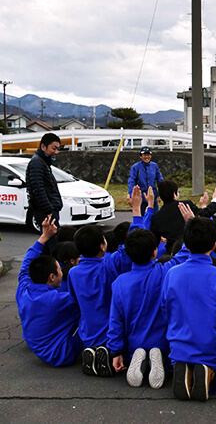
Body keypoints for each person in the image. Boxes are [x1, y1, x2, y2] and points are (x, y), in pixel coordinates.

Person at [107, 206, 191, 389]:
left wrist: (115, 351)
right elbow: (184, 253)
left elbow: (116, 321)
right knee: (165, 359)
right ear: (155, 252)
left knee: (134, 346)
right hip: (163, 340)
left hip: (134, 341)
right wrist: (189, 224)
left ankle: (139, 358)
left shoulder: (120, 283)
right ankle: (158, 358)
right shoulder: (164, 272)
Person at [162, 215, 216, 402]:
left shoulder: (171, 274)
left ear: (186, 245)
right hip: (211, 347)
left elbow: (165, 309)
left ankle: (185, 368)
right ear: (215, 246)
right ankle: (210, 373)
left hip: (178, 346)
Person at [67, 191, 141, 377]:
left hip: (88, 330)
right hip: (111, 329)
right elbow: (131, 247)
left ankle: (93, 351)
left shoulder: (73, 273)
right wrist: (137, 211)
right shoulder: (109, 265)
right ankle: (110, 354)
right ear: (102, 246)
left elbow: (74, 302)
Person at [15, 216, 82, 367]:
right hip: (63, 353)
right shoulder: (56, 299)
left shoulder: (24, 289)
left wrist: (44, 237)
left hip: (38, 347)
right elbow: (88, 298)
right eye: (59, 269)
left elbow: (26, 265)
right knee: (89, 312)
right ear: (52, 277)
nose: (62, 270)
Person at [150, 180, 216, 252]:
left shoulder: (156, 217)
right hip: (192, 247)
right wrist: (215, 200)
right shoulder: (186, 205)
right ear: (174, 194)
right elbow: (204, 214)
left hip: (172, 251)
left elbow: (154, 241)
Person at [26, 133, 63, 253]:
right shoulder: (37, 163)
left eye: (58, 149)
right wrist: (48, 211)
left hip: (49, 211)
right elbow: (38, 189)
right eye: (54, 148)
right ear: (43, 147)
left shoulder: (43, 162)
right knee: (51, 246)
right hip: (46, 212)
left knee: (49, 245)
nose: (56, 152)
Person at [128, 147, 164, 215]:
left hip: (153, 197)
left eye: (148, 155)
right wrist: (131, 194)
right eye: (144, 155)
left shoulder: (154, 166)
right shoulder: (135, 167)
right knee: (142, 219)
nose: (147, 157)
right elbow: (131, 181)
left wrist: (160, 193)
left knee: (156, 218)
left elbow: (160, 179)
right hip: (141, 198)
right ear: (141, 156)